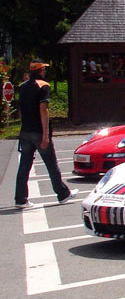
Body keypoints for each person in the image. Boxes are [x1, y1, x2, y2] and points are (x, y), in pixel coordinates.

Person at [14, 60, 78, 209]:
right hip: (38, 131)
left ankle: (20, 199)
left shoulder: (23, 87)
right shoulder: (43, 86)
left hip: (25, 132)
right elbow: (44, 109)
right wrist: (45, 135)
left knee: (24, 165)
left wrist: (24, 127)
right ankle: (62, 194)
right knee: (51, 164)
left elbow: (21, 111)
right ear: (41, 71)